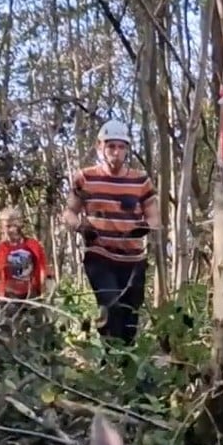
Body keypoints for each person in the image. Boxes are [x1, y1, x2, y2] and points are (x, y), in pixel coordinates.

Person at [62, 119, 160, 344]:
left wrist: (145, 228)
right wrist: (80, 226)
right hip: (100, 255)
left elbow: (154, 217)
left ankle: (126, 366)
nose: (116, 152)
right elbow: (69, 213)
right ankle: (110, 362)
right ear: (100, 147)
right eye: (111, 146)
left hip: (133, 258)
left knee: (129, 317)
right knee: (110, 306)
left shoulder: (140, 180)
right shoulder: (85, 178)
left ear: (127, 149)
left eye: (121, 146)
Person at [0, 207, 49, 300]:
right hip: (10, 296)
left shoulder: (33, 245)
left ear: (19, 225)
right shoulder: (2, 249)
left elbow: (42, 269)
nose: (8, 230)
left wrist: (43, 293)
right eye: (5, 226)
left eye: (11, 226)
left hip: (31, 294)